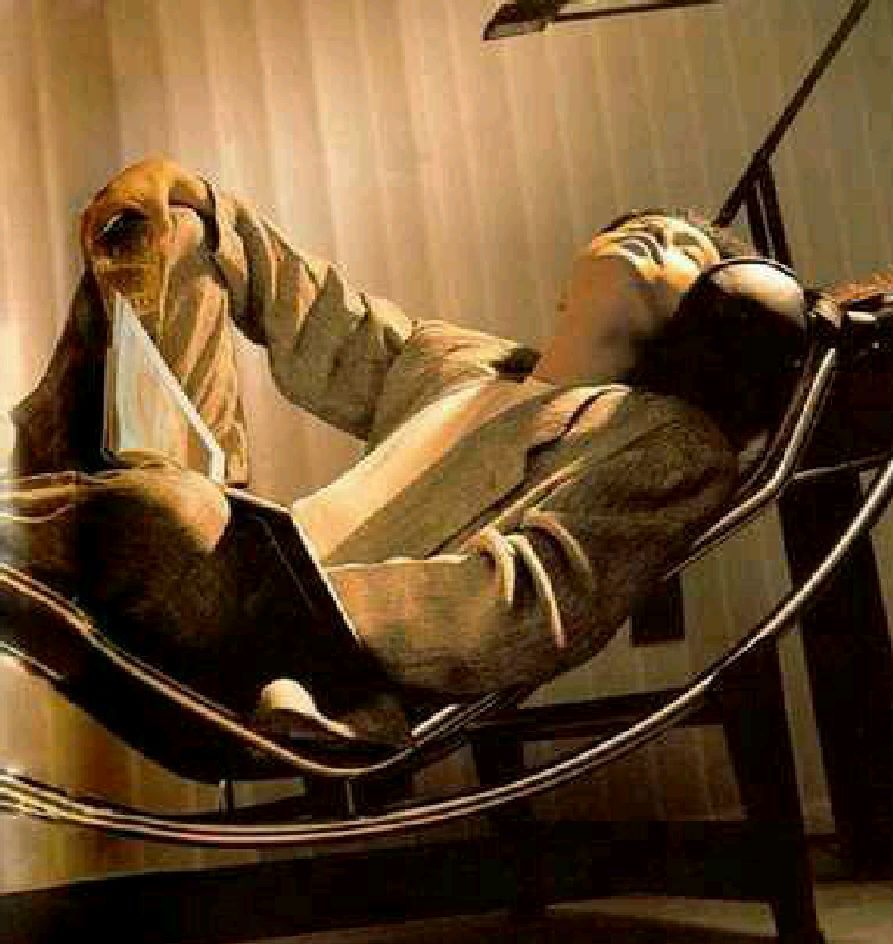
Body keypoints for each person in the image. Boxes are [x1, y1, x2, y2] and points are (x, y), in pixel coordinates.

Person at [1, 158, 780, 749]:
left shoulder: (663, 438)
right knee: (176, 235)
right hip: (197, 557)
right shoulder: (454, 364)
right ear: (566, 289)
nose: (662, 232)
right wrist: (184, 189)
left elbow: (524, 607)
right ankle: (49, 502)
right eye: (644, 223)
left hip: (305, 651)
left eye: (690, 251)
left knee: (168, 509)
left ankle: (36, 506)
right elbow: (304, 303)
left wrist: (297, 593)